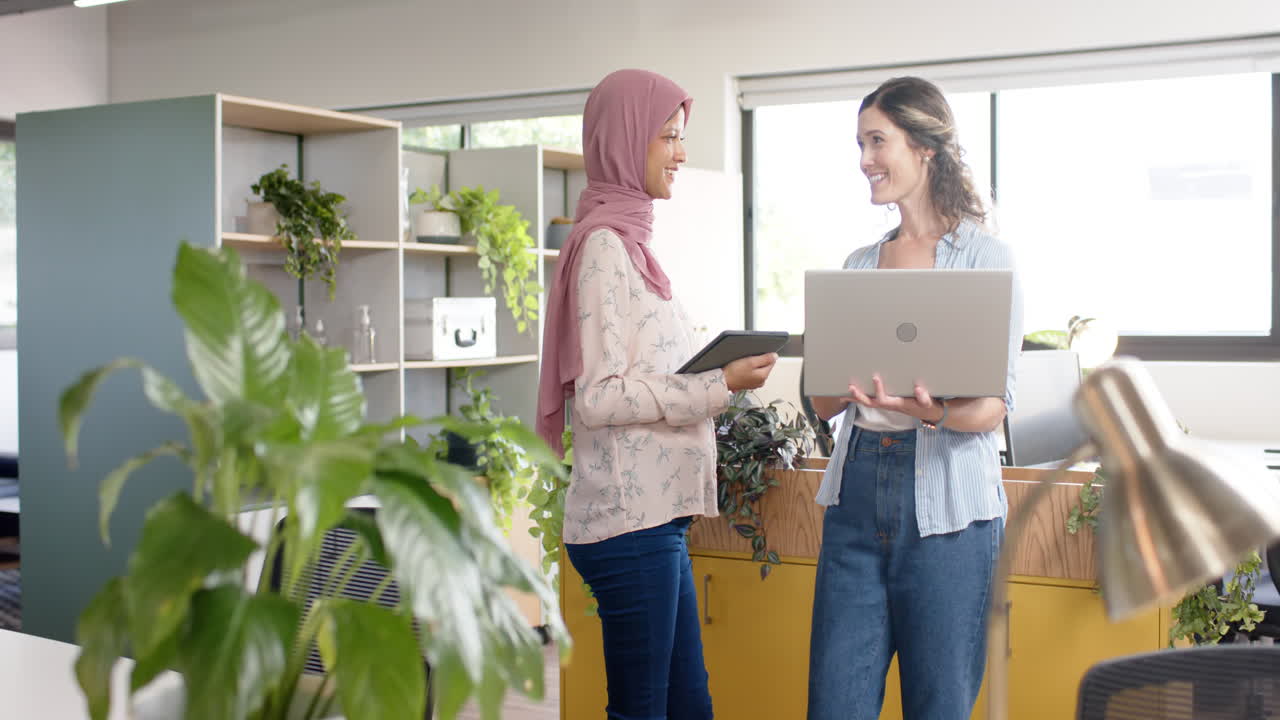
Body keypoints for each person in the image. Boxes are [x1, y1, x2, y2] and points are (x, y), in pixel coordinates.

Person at [536, 69, 778, 720]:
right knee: (646, 710)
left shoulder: (630, 243)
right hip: (626, 519)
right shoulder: (605, 249)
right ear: (625, 139)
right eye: (668, 135)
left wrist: (712, 377)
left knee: (686, 706)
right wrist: (717, 384)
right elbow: (600, 398)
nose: (681, 152)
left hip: (650, 518)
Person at [805, 76, 1023, 720]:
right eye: (861, 144)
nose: (865, 159)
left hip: (951, 508)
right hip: (856, 492)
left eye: (878, 141)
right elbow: (822, 403)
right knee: (834, 705)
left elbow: (991, 408)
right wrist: (838, 377)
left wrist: (927, 410)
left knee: (939, 707)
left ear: (924, 146)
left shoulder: (986, 260)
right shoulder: (857, 266)